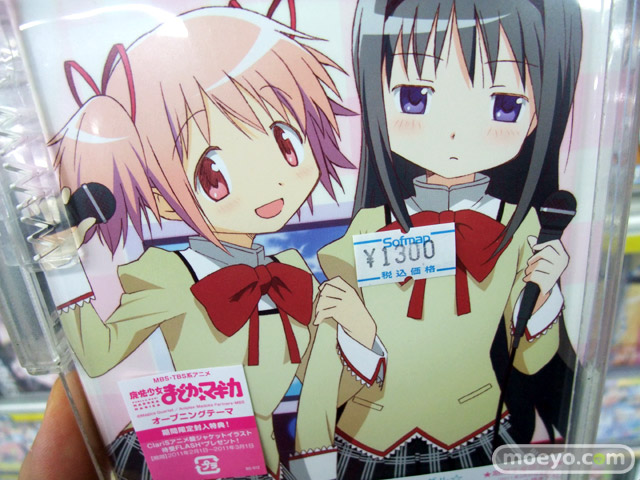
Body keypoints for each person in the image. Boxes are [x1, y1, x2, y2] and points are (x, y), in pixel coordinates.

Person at [47, 6, 352, 479]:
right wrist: (67, 265)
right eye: (214, 173)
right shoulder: (167, 275)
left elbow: (320, 384)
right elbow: (99, 354)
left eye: (286, 143)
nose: (270, 182)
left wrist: (350, 335)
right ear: (160, 198)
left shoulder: (291, 268)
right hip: (204, 456)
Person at [315, 0, 582, 477]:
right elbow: (323, 374)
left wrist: (543, 296)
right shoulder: (365, 230)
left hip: (477, 428)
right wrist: (359, 335)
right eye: (414, 97)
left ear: (538, 114)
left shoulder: (520, 229)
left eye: (505, 105)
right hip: (371, 435)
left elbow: (528, 361)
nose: (455, 133)